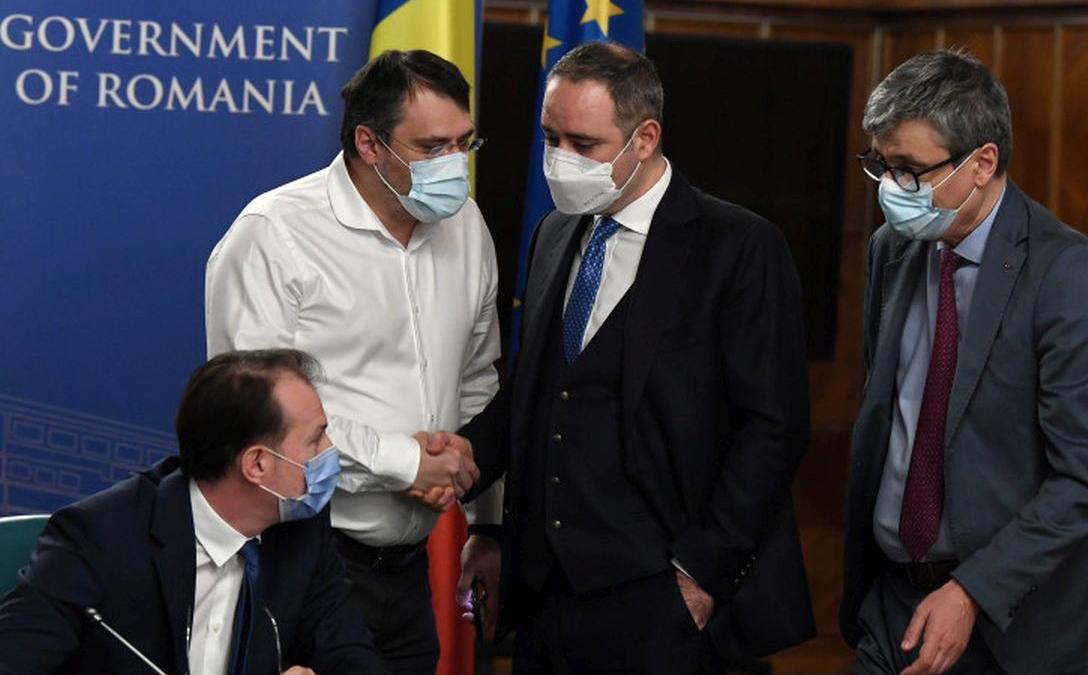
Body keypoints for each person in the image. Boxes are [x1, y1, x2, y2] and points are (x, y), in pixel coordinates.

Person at [449, 41, 815, 673]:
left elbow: (774, 428)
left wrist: (701, 573)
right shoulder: (553, 231)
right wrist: (465, 472)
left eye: (584, 144)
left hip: (662, 596)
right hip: (543, 595)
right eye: (551, 138)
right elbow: (535, 390)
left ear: (645, 138)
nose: (560, 160)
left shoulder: (739, 247)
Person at [841, 49, 1088, 675]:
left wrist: (973, 591)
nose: (891, 189)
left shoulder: (1064, 272)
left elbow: (1082, 479)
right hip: (895, 600)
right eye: (881, 165)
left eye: (910, 170)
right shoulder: (891, 251)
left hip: (1018, 620)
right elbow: (888, 411)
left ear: (982, 163)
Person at [205, 50, 497, 673]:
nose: (454, 165)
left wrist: (484, 521)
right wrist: (406, 462)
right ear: (369, 143)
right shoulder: (274, 233)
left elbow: (476, 381)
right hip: (301, 559)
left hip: (411, 570)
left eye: (463, 144)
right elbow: (255, 421)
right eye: (431, 147)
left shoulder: (467, 224)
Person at [0, 349, 386, 675]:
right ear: (257, 464)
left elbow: (351, 656)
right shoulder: (98, 538)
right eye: (316, 439)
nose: (330, 450)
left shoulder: (303, 529)